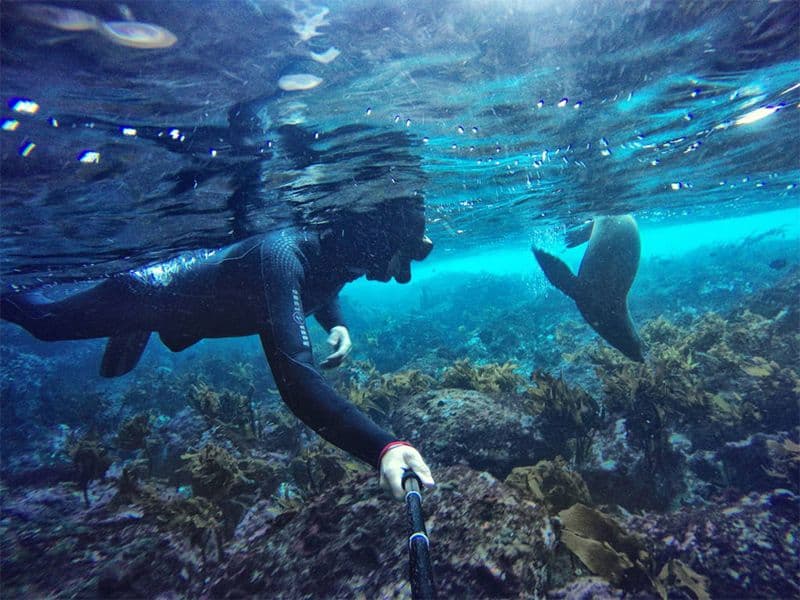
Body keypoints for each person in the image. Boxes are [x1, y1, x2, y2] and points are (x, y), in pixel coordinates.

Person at [0, 195, 436, 501]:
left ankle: (139, 325)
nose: (401, 274)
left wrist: (336, 323)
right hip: (146, 294)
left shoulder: (336, 254)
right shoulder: (281, 256)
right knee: (46, 324)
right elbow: (297, 378)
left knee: (119, 366)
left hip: (189, 316)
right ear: (373, 240)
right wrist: (382, 447)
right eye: (402, 256)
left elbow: (324, 282)